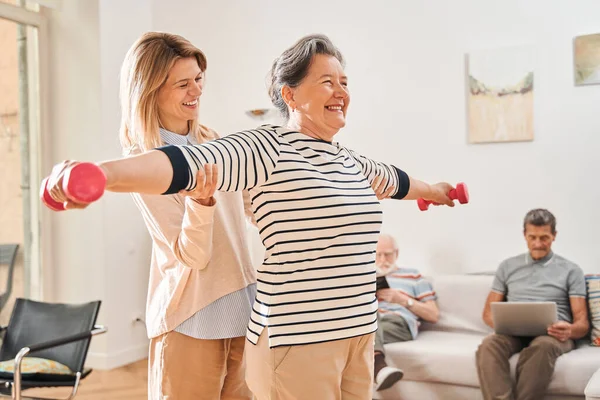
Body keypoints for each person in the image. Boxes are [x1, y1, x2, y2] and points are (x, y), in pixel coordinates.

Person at [44, 34, 457, 399]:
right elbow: (176, 168)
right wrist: (98, 175)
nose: (341, 91)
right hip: (221, 316)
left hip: (315, 320)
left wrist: (435, 192)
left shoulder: (344, 159)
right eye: (327, 81)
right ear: (290, 96)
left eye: (344, 82)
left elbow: (395, 180)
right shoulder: (254, 147)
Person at [119, 32, 257, 399]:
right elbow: (193, 255)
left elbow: (249, 206)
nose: (195, 91)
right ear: (150, 90)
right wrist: (201, 202)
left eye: (198, 79)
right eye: (182, 84)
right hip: (190, 315)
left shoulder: (214, 140)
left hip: (242, 303)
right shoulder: (145, 162)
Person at [476, 209, 589, 400]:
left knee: (542, 347)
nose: (538, 244)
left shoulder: (571, 270)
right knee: (488, 345)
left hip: (552, 336)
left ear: (554, 236)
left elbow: (582, 324)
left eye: (544, 237)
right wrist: (504, 324)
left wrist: (569, 330)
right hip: (513, 333)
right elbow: (487, 313)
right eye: (532, 237)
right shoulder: (508, 266)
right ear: (524, 235)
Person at [373, 234, 439, 391]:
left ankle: (378, 366)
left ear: (397, 253)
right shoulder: (366, 277)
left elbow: (433, 314)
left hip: (399, 322)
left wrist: (402, 300)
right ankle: (379, 369)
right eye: (378, 255)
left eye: (388, 254)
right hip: (374, 320)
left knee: (364, 328)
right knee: (365, 318)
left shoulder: (413, 276)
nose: (383, 260)